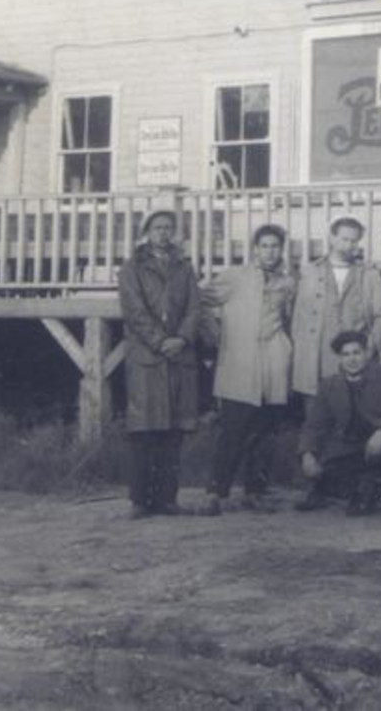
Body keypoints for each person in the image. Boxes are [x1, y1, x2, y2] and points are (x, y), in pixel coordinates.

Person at [198, 224, 297, 514]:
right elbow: (201, 301)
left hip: (273, 361)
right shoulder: (234, 277)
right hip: (240, 361)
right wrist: (213, 331)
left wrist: (287, 347)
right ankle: (216, 492)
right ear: (254, 249)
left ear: (281, 250)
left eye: (275, 246)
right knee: (233, 429)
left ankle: (255, 491)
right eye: (264, 246)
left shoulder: (287, 282)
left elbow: (289, 318)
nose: (270, 251)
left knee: (265, 431)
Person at [117, 210, 200, 518]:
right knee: (144, 431)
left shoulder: (184, 267)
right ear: (146, 232)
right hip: (147, 358)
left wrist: (181, 339)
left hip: (178, 358)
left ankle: (167, 499)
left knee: (173, 432)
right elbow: (134, 310)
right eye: (157, 228)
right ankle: (140, 501)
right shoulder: (132, 268)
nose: (163, 233)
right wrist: (160, 341)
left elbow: (194, 308)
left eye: (168, 228)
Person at [296, 329, 381, 523]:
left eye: (357, 353)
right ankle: (367, 489)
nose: (352, 359)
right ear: (339, 359)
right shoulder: (329, 385)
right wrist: (307, 453)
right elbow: (314, 425)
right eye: (346, 354)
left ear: (367, 353)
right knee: (328, 472)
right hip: (353, 448)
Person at [291, 215, 381, 398]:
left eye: (354, 241)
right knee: (316, 418)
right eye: (344, 239)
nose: (349, 245)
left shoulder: (370, 275)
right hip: (314, 363)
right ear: (332, 238)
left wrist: (369, 348)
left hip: (354, 362)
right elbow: (297, 317)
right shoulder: (309, 272)